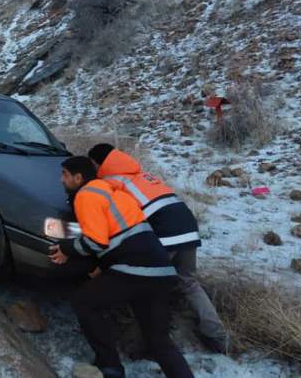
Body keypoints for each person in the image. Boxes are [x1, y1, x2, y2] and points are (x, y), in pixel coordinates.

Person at [49, 156, 193, 378]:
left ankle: (110, 367)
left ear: (78, 178)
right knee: (158, 340)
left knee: (84, 301)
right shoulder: (112, 191)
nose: (61, 180)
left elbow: (96, 242)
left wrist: (66, 248)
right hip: (162, 273)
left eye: (65, 175)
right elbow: (115, 235)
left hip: (134, 271)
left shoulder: (86, 195)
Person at [88, 143, 229, 353]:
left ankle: (149, 342)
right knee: (187, 281)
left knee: (146, 285)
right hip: (187, 225)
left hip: (164, 230)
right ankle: (217, 336)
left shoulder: (112, 182)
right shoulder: (142, 175)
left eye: (92, 164)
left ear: (98, 163)